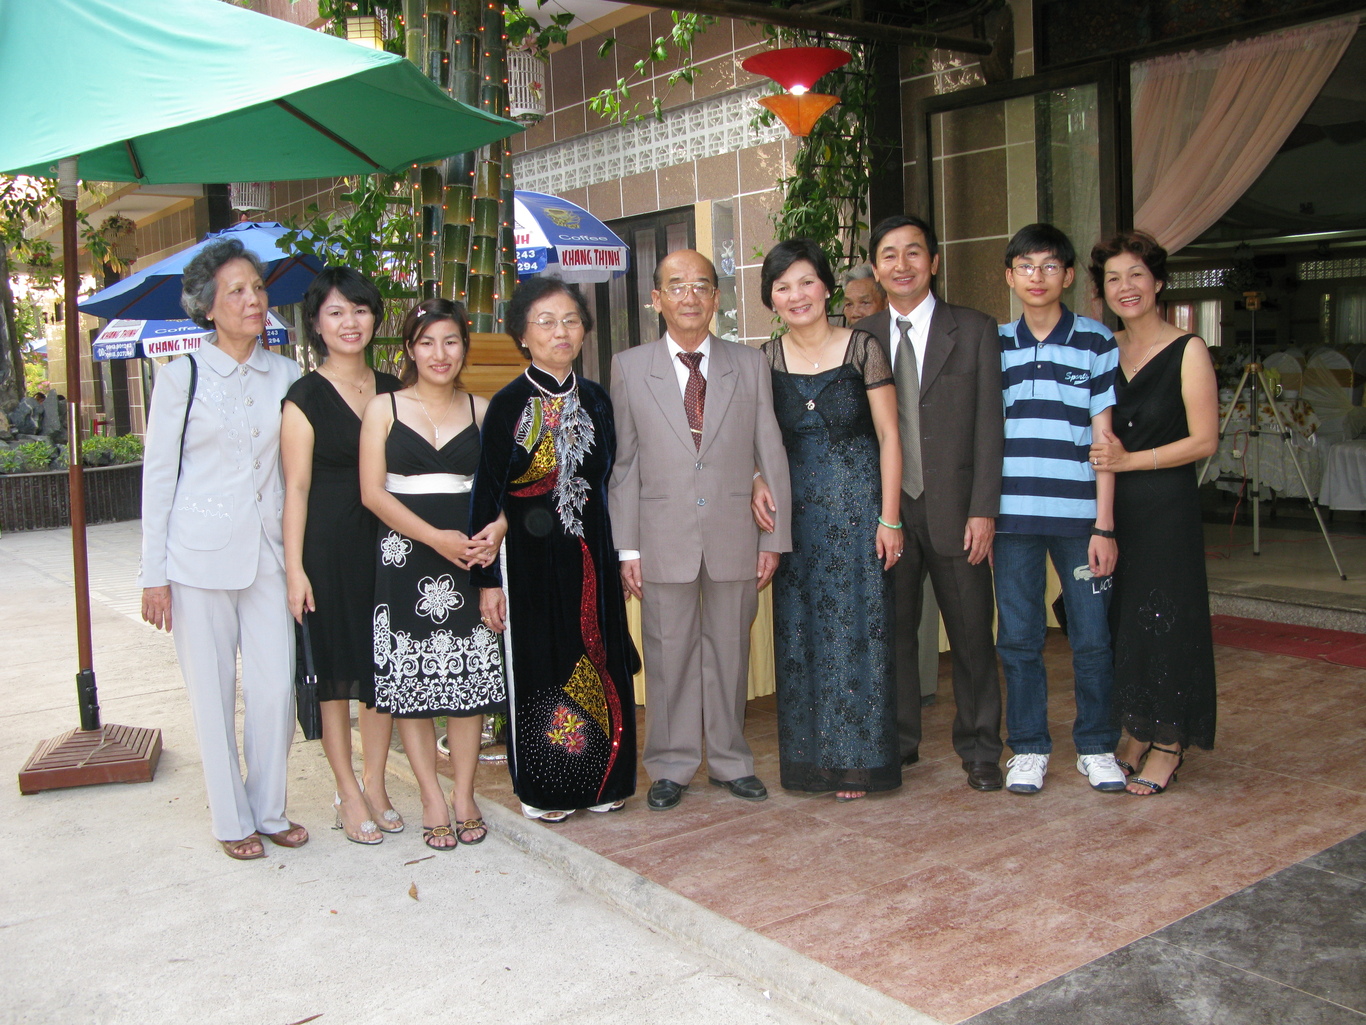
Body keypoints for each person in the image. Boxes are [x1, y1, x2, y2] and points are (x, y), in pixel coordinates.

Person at [138, 237, 306, 861]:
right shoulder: (180, 375)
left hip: (270, 555)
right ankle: (232, 821)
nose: (253, 300)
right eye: (237, 291)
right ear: (207, 307)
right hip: (196, 557)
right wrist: (153, 574)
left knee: (274, 690)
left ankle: (269, 809)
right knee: (211, 694)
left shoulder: (286, 376)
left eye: (258, 288)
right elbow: (159, 478)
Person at [609, 249, 792, 812]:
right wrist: (628, 548)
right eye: (676, 285)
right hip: (661, 538)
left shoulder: (749, 364)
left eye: (701, 285)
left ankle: (732, 761)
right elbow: (625, 464)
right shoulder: (629, 367)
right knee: (669, 656)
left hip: (737, 533)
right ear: (656, 299)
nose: (689, 296)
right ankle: (670, 764)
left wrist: (774, 538)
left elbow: (770, 451)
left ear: (716, 297)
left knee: (730, 652)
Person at [470, 278, 638, 822]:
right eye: (545, 321)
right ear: (523, 335)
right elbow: (486, 495)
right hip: (529, 561)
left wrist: (624, 554)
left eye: (570, 320)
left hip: (594, 555)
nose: (560, 331)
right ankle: (547, 790)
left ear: (584, 330)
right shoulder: (507, 405)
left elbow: (615, 480)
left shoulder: (597, 399)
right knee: (542, 667)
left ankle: (606, 780)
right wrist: (487, 582)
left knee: (601, 659)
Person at [854, 215, 1005, 792]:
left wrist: (983, 508)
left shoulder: (975, 329)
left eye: (913, 252)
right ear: (876, 268)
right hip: (888, 513)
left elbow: (990, 427)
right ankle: (898, 742)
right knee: (892, 635)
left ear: (934, 262)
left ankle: (981, 747)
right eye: (889, 255)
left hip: (957, 510)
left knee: (971, 636)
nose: (902, 264)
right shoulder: (860, 336)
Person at [755, 239, 902, 800]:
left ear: (826, 287)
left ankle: (858, 759)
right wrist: (756, 479)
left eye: (806, 282)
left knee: (859, 630)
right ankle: (813, 759)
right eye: (783, 286)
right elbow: (752, 441)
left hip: (860, 511)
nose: (797, 295)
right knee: (802, 634)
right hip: (795, 519)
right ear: (771, 298)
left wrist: (891, 518)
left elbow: (890, 436)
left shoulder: (863, 348)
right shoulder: (764, 361)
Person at [359, 299, 504, 849]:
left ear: (464, 347)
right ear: (409, 350)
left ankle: (464, 794)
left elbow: (507, 491)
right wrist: (433, 538)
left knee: (469, 683)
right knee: (411, 688)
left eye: (450, 341)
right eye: (426, 342)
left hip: (469, 556)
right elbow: (373, 493)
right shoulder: (384, 408)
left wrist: (498, 530)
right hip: (405, 556)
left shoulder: (484, 411)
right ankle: (431, 797)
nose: (439, 354)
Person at [995, 223, 1125, 796]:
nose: (1038, 277)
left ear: (1068, 276)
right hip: (1011, 519)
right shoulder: (995, 343)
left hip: (1079, 519)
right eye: (1026, 266)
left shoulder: (1096, 341)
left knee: (1091, 638)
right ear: (1010, 276)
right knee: (1019, 638)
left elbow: (1105, 440)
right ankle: (1028, 747)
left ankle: (1097, 746)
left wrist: (1104, 525)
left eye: (1050, 266)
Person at [1088, 230, 1219, 796]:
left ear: (1158, 281)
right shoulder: (1102, 348)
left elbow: (1205, 440)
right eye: (1113, 278)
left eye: (1136, 274)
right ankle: (1137, 726)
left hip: (1166, 505)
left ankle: (1169, 741)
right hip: (1111, 506)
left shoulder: (1188, 349)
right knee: (1124, 620)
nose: (1126, 287)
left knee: (1167, 618)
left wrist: (1131, 460)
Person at [281, 267, 403, 845]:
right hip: (327, 548)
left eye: (359, 309)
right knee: (334, 676)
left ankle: (376, 784)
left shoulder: (395, 387)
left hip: (388, 546)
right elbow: (296, 488)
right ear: (316, 324)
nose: (349, 322)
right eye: (335, 312)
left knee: (380, 669)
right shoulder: (303, 397)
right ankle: (347, 792)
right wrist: (294, 570)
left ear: (374, 316)